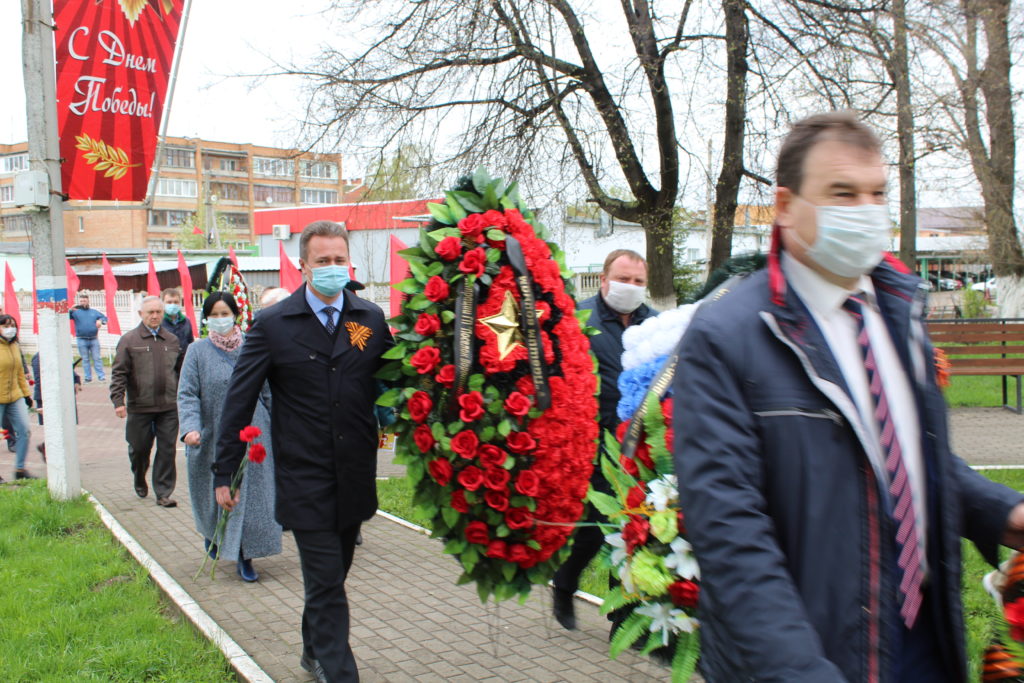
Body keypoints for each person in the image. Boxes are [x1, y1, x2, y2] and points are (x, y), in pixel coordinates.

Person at [673, 111, 1024, 681]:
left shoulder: (896, 310)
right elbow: (732, 536)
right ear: (785, 207)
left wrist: (1001, 511)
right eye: (841, 193)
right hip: (813, 653)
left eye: (876, 193)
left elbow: (905, 456)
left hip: (923, 641)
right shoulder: (728, 338)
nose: (865, 211)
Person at [215, 220, 393, 683]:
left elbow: (394, 385)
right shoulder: (274, 324)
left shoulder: (369, 319)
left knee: (330, 580)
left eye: (340, 260)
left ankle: (311, 652)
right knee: (327, 582)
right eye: (323, 261)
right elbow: (240, 398)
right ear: (304, 266)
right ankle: (339, 672)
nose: (333, 268)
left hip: (354, 472)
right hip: (303, 474)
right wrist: (223, 471)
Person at [551, 249, 656, 630]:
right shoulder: (579, 320)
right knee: (593, 529)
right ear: (604, 279)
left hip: (641, 448)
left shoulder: (657, 325)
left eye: (638, 281)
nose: (631, 287)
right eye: (624, 279)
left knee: (634, 530)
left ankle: (621, 614)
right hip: (591, 445)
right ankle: (565, 581)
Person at [178, 292, 281, 582]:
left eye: (225, 313)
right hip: (212, 433)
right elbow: (187, 393)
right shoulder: (197, 351)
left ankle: (244, 555)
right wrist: (190, 428)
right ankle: (214, 536)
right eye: (215, 314)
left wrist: (278, 428)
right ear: (206, 318)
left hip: (254, 432)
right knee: (216, 495)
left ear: (235, 315)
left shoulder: (253, 346)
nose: (220, 319)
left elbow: (268, 392)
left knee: (249, 496)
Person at [110, 296, 180, 508]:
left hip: (168, 406)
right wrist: (118, 401)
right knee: (139, 448)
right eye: (150, 312)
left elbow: (181, 372)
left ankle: (163, 492)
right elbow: (119, 372)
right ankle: (139, 476)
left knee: (167, 449)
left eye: (158, 311)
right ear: (141, 314)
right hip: (140, 406)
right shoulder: (129, 341)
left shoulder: (172, 341)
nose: (155, 315)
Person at [0, 315, 34, 480]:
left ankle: (20, 470)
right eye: (6, 325)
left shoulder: (14, 345)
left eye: (13, 325)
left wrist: (27, 395)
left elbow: (20, 372)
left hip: (15, 396)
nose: (10, 329)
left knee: (24, 430)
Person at [69, 292, 108, 382]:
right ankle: (88, 377)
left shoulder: (94, 312)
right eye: (81, 301)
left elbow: (105, 318)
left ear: (88, 301)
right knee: (85, 359)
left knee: (97, 358)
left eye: (84, 301)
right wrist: (70, 309)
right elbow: (65, 316)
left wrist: (100, 321)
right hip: (81, 339)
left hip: (94, 339)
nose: (83, 303)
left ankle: (101, 376)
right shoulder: (75, 312)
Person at [161, 287, 194, 369]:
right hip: (166, 366)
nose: (173, 305)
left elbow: (190, 342)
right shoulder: (159, 323)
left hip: (184, 365)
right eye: (169, 302)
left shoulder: (186, 321)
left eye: (176, 302)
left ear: (180, 303)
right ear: (163, 303)